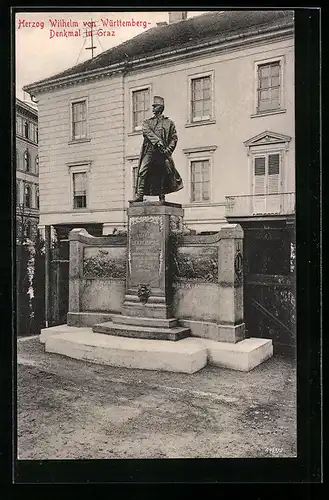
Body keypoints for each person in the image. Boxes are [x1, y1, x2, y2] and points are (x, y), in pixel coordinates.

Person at [134, 96, 183, 202]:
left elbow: (174, 139)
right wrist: (157, 141)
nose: (153, 109)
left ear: (160, 108)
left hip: (162, 152)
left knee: (163, 174)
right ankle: (140, 195)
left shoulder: (169, 123)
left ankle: (162, 196)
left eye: (155, 106)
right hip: (150, 151)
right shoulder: (148, 122)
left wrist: (168, 150)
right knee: (142, 171)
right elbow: (146, 131)